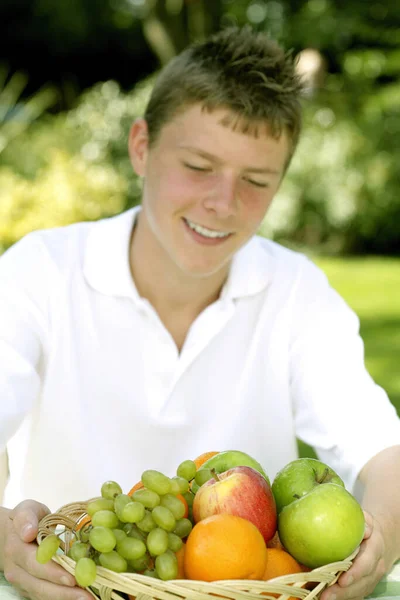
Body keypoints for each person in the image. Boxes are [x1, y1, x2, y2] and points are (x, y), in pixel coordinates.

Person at [0, 25, 399, 600]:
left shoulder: (295, 290)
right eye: (198, 165)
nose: (222, 202)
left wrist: (383, 535)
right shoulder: (40, 271)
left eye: (256, 180)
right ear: (141, 147)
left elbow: (379, 445)